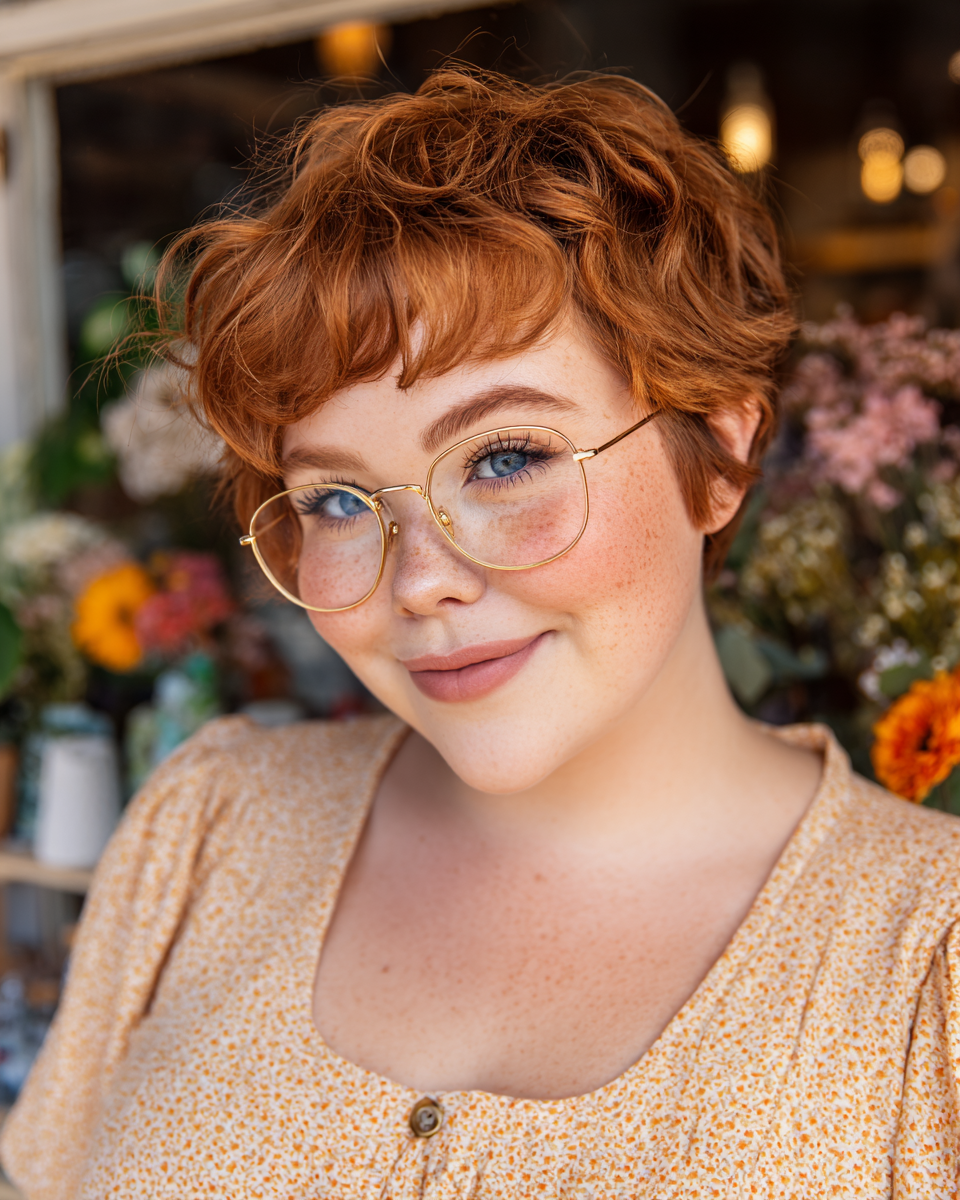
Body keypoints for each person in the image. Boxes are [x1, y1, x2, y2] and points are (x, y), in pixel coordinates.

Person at [3, 69, 959, 1200]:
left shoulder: (925, 975)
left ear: (721, 452)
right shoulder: (208, 830)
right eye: (340, 501)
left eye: (507, 459)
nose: (422, 583)